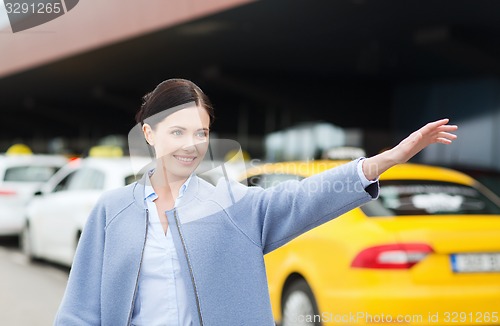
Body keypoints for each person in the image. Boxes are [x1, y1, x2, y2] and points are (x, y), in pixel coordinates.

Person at [53, 79, 458, 326]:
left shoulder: (234, 207)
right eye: (177, 132)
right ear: (148, 133)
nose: (191, 145)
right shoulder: (112, 211)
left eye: (201, 133)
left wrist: (380, 162)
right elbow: (79, 311)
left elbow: (304, 197)